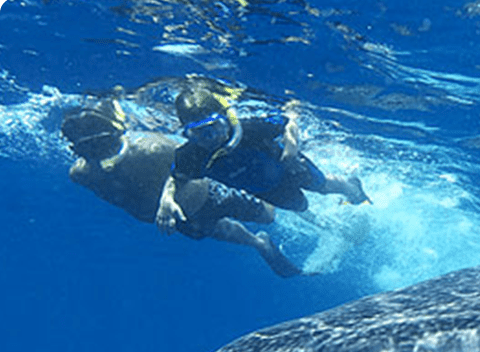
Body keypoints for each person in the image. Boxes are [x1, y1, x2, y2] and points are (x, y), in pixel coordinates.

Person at [61, 97, 301, 277]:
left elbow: (184, 168)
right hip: (179, 220)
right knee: (219, 230)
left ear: (116, 133)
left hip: (212, 193)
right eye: (86, 149)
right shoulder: (80, 175)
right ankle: (260, 244)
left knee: (267, 216)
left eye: (101, 143)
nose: (96, 153)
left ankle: (270, 186)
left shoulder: (151, 149)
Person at [155, 87, 371, 234]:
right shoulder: (191, 156)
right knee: (300, 206)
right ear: (187, 134)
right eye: (198, 133)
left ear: (226, 118)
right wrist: (166, 200)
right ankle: (336, 230)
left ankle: (354, 190)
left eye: (214, 128)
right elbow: (176, 178)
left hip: (287, 166)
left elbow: (289, 121)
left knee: (323, 186)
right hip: (263, 189)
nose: (210, 139)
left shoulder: (250, 129)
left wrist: (291, 148)